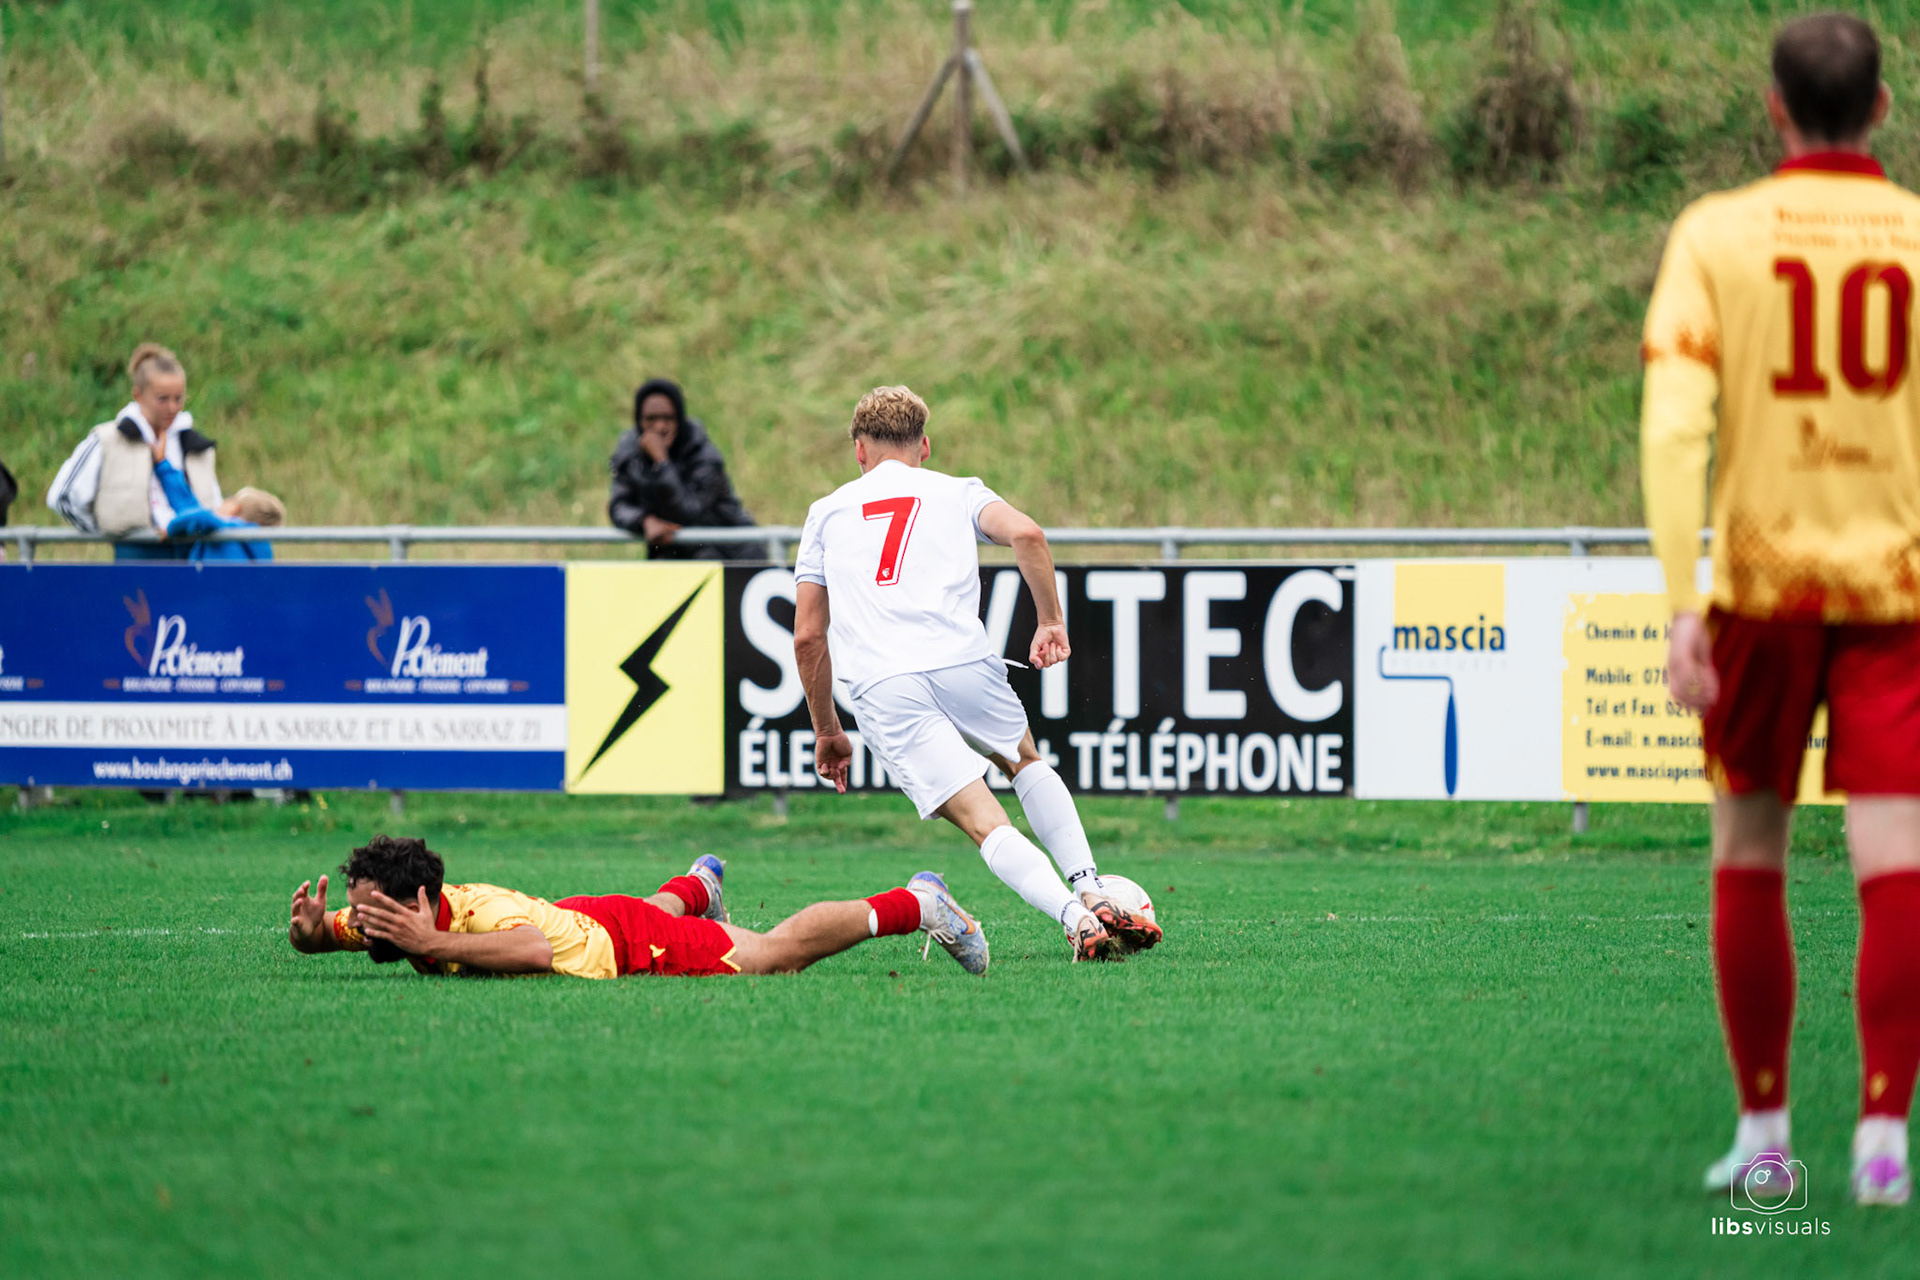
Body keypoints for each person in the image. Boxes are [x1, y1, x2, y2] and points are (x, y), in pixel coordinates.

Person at [1643, 13, 1920, 1207]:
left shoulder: (1717, 233)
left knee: (1749, 850)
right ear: (1882, 108)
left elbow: (1674, 429)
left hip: (1761, 588)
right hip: (1897, 593)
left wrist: (1682, 598)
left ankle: (1766, 1139)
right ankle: (1882, 1139)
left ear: (1773, 108)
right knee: (1897, 858)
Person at [793, 386, 1161, 963]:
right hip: (962, 660)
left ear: (859, 450)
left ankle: (1075, 919)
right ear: (925, 446)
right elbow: (1028, 534)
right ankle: (1090, 886)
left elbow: (809, 636)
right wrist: (1050, 621)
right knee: (1024, 761)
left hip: (885, 683)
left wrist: (827, 730)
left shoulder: (826, 512)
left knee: (983, 820)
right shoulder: (959, 491)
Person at [288, 836, 988, 978]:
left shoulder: (479, 920)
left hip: (619, 941)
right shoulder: (396, 921)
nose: (362, 924)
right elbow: (343, 933)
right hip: (581, 915)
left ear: (417, 903)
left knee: (775, 956)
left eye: (370, 914)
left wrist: (434, 946)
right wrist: (314, 935)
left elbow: (533, 950)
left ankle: (917, 903)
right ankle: (699, 889)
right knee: (647, 907)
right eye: (357, 913)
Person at [46, 343, 222, 560]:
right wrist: (103, 532)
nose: (172, 408)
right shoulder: (108, 440)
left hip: (193, 558)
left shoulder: (196, 446)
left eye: (178, 398)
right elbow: (62, 496)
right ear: (138, 395)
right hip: (137, 557)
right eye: (163, 399)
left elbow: (215, 506)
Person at [608, 377, 759, 560]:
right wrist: (644, 520)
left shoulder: (704, 455)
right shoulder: (630, 453)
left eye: (668, 418)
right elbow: (619, 506)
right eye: (651, 419)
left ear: (680, 419)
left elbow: (689, 512)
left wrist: (662, 462)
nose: (660, 427)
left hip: (730, 555)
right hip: (674, 553)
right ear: (639, 421)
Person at [151, 446, 282, 561]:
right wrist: (163, 465)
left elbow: (201, 516)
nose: (222, 503)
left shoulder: (226, 528)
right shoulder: (261, 549)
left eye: (230, 499)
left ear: (235, 509)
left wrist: (171, 529)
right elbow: (188, 507)